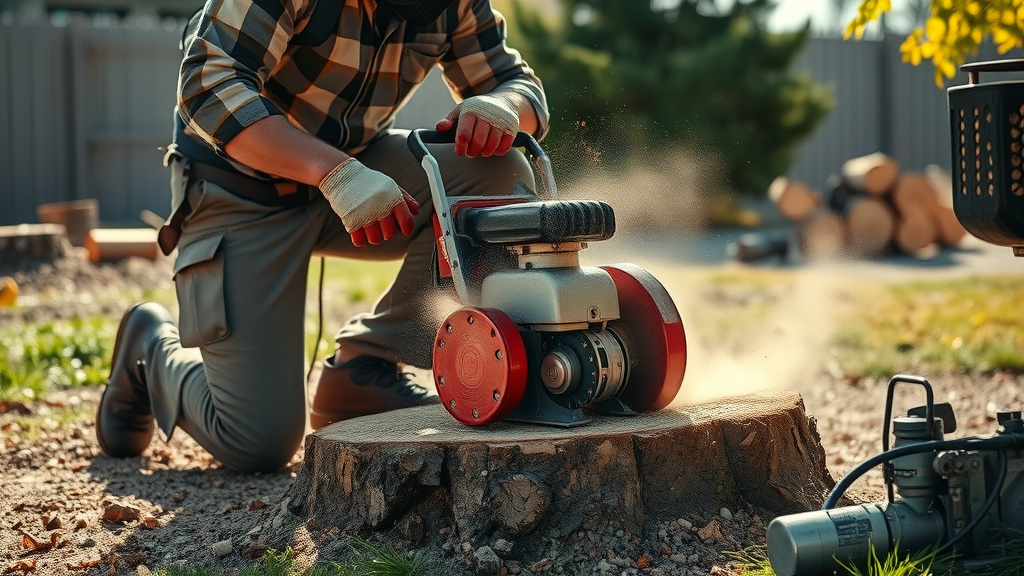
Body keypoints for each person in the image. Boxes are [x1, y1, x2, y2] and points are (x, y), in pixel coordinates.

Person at [94, 0, 548, 473]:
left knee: (498, 171)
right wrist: (333, 173)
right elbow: (207, 87)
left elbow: (520, 87)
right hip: (242, 189)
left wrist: (502, 106)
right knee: (257, 441)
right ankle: (150, 348)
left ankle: (362, 369)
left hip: (359, 172)